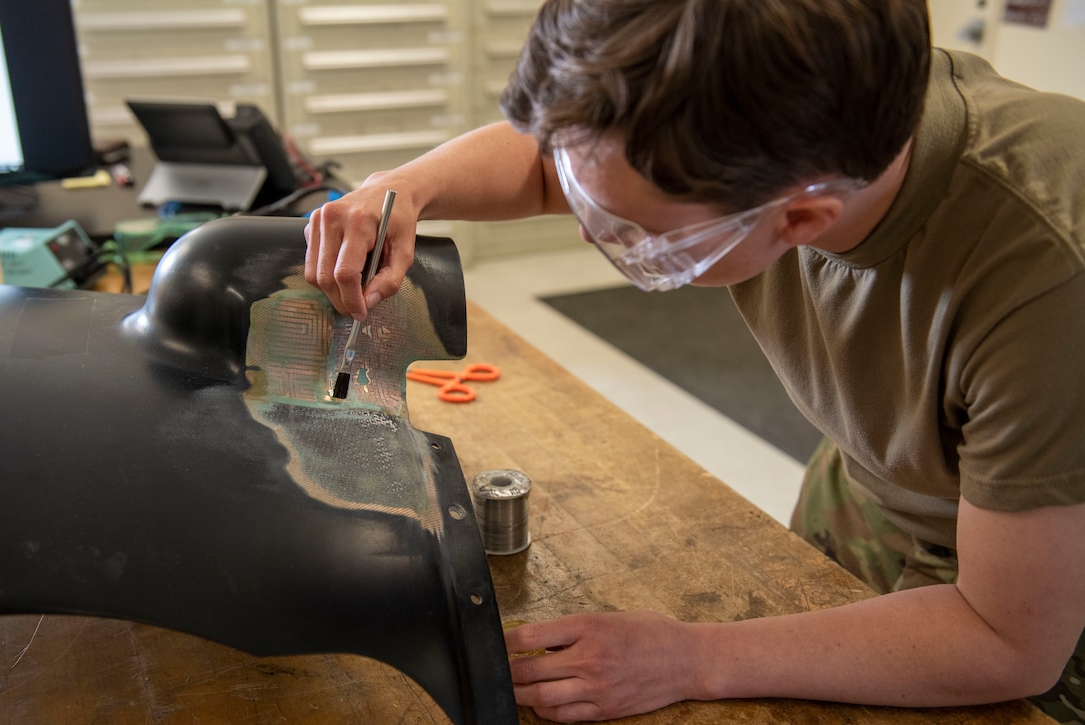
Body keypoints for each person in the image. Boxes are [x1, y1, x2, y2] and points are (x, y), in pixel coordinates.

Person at [304, 0, 1085, 721]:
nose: (588, 231)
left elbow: (1005, 637)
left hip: (1027, 592)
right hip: (877, 485)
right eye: (589, 202)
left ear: (804, 218)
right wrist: (405, 187)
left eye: (634, 232)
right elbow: (556, 160)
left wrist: (694, 657)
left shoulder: (1047, 276)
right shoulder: (784, 108)